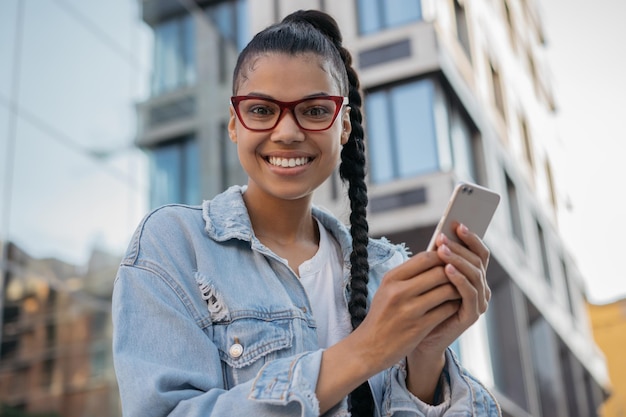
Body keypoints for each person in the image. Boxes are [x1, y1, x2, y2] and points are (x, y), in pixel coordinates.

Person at [112, 9, 501, 417]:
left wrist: (426, 355)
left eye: (314, 110)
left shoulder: (386, 274)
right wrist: (365, 350)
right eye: (262, 110)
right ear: (234, 123)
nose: (287, 132)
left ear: (343, 125)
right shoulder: (175, 245)